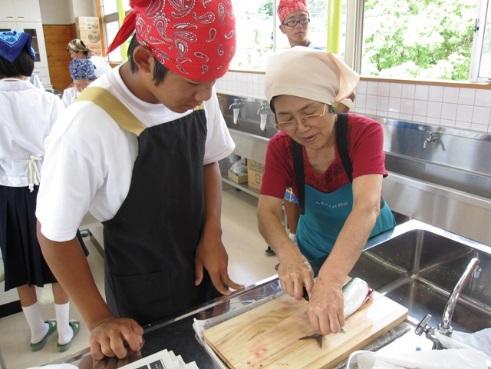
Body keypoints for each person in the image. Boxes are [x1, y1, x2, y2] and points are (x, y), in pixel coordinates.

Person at [36, 0, 241, 360]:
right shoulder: (87, 125)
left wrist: (213, 232)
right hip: (141, 292)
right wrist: (99, 319)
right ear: (146, 60)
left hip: (202, 269)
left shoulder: (196, 97)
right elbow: (53, 232)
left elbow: (209, 160)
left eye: (213, 82)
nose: (206, 96)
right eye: (195, 83)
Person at [258, 47, 396, 336]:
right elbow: (267, 211)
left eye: (310, 112)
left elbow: (366, 207)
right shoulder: (280, 147)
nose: (300, 127)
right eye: (286, 118)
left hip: (371, 244)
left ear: (331, 103)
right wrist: (289, 253)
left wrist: (331, 280)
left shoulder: (365, 133)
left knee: (371, 322)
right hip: (316, 244)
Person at [0, 31, 81, 352]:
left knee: (19, 263)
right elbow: (66, 151)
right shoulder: (49, 101)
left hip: (7, 193)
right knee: (59, 259)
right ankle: (63, 331)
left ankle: (36, 332)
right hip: (48, 190)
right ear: (29, 60)